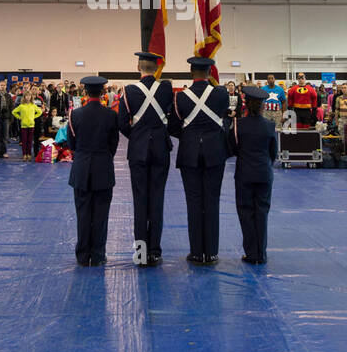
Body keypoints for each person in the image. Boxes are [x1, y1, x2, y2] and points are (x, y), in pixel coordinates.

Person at [171, 57, 230, 266]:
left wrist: (190, 137)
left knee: (194, 202)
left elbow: (174, 127)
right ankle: (211, 252)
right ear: (210, 73)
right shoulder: (221, 94)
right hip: (215, 152)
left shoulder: (180, 98)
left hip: (190, 153)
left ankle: (196, 252)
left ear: (190, 72)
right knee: (212, 201)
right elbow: (225, 116)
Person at [118, 51, 174, 266]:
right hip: (160, 148)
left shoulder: (129, 90)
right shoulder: (167, 89)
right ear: (157, 68)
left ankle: (140, 254)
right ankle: (155, 252)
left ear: (138, 66)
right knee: (157, 199)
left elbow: (123, 122)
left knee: (140, 201)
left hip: (139, 151)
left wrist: (137, 137)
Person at [65, 76, 119, 266]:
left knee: (82, 213)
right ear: (103, 92)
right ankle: (98, 254)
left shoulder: (75, 115)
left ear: (85, 93)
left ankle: (82, 255)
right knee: (101, 215)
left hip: (81, 169)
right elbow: (114, 144)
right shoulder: (111, 115)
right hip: (103, 167)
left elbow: (71, 144)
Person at [227, 86, 277, 265]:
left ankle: (251, 253)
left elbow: (232, 149)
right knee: (262, 213)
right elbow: (274, 153)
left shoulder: (238, 125)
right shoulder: (270, 126)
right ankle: (261, 254)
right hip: (264, 173)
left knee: (246, 213)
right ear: (263, 105)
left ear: (246, 104)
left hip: (244, 174)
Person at [12, 92, 43, 162]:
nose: (28, 97)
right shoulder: (21, 105)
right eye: (26, 96)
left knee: (30, 141)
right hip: (23, 125)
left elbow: (40, 112)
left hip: (31, 125)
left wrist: (33, 117)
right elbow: (14, 112)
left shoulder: (33, 105)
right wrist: (19, 117)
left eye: (29, 95)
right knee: (24, 141)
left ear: (31, 97)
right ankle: (24, 154)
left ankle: (29, 154)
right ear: (24, 97)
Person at [0, 81, 13, 159]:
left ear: (6, 86)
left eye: (4, 85)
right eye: (1, 85)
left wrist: (11, 119)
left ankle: (4, 152)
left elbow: (11, 108)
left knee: (5, 136)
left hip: (6, 119)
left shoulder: (8, 96)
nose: (2, 87)